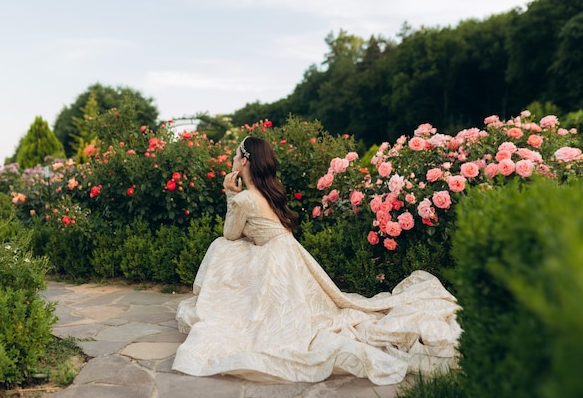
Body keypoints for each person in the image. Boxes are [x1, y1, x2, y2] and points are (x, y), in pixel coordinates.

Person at [172, 136, 461, 385]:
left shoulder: (246, 198)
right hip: (286, 251)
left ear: (245, 161)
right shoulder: (267, 191)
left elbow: (231, 233)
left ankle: (229, 301)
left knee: (222, 246)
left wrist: (229, 194)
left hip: (276, 257)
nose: (233, 157)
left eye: (236, 153)